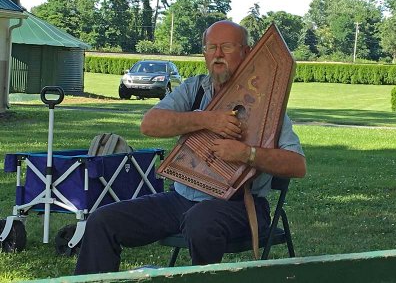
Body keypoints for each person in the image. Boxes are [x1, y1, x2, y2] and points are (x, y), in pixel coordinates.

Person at [74, 20, 306, 275]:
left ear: (247, 52)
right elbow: (150, 125)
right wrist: (208, 119)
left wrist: (246, 154)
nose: (217, 54)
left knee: (201, 220)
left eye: (226, 47)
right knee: (102, 221)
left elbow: (297, 165)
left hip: (239, 206)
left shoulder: (267, 106)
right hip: (181, 199)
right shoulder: (195, 89)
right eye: (211, 47)